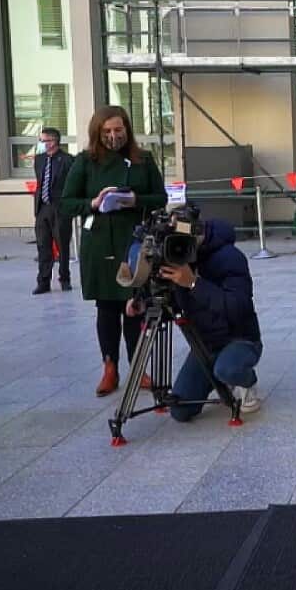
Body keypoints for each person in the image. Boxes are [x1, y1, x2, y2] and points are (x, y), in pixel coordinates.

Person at [60, 106, 167, 397]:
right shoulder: (85, 161)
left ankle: (137, 366)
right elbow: (67, 202)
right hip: (99, 242)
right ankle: (110, 366)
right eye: (106, 131)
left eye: (118, 130)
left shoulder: (143, 159)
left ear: (127, 129)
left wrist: (135, 200)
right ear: (97, 132)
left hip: (133, 242)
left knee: (134, 304)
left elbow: (160, 197)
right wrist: (93, 203)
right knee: (107, 307)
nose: (113, 136)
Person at [127, 215, 263, 420]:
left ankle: (247, 381)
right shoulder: (175, 258)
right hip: (205, 345)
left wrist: (193, 283)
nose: (177, 247)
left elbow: (238, 307)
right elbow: (172, 307)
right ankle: (219, 375)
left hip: (239, 339)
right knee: (180, 410)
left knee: (227, 369)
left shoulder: (229, 257)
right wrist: (145, 304)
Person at [32, 126, 74, 294]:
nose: (41, 143)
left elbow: (71, 185)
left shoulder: (67, 160)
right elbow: (40, 181)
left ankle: (65, 278)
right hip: (43, 207)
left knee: (62, 245)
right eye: (41, 140)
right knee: (43, 246)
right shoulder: (39, 159)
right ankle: (43, 281)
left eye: (44, 140)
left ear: (53, 141)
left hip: (60, 209)